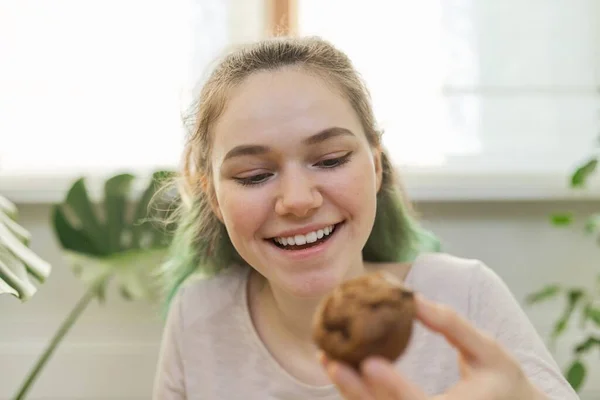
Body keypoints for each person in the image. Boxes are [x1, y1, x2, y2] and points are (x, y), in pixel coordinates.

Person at [152, 36, 579, 399]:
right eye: (255, 175)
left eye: (330, 159)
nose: (298, 200)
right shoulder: (197, 317)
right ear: (211, 196)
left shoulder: (465, 296)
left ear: (376, 166)